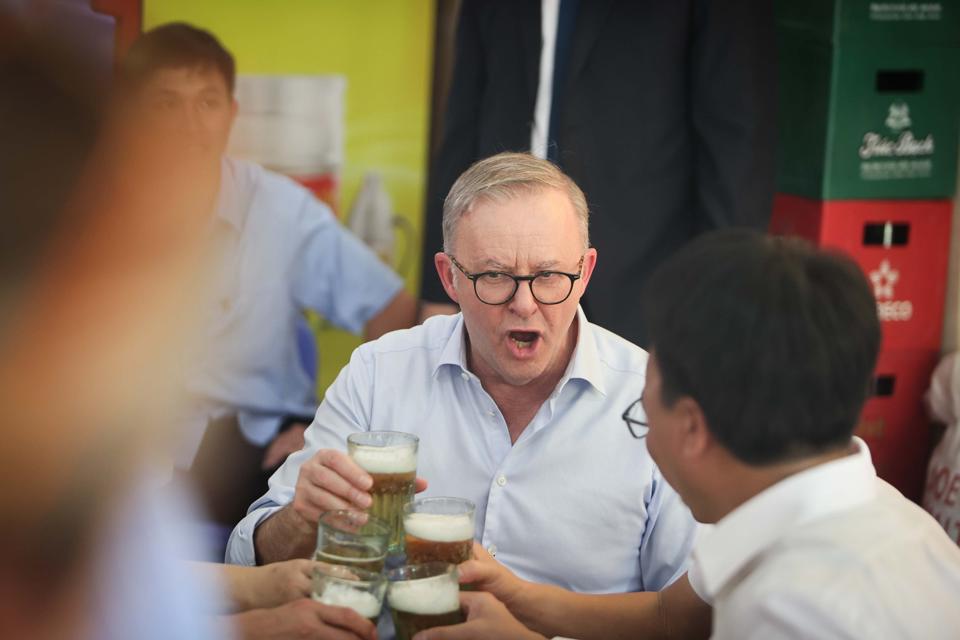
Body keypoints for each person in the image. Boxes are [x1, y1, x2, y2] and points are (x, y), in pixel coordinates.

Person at [228, 152, 701, 627]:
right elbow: (250, 562)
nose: (524, 304)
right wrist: (301, 520)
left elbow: (694, 621)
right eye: (494, 276)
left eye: (549, 276)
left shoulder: (654, 397)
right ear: (449, 277)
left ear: (586, 272)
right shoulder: (380, 371)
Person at [419, 230, 960, 639]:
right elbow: (670, 615)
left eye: (645, 415)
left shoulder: (796, 609)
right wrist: (519, 596)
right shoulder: (872, 516)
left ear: (694, 429)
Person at [115, 23, 417, 525]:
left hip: (254, 446)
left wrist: (326, 428)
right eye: (166, 103)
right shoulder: (92, 211)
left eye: (207, 102)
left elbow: (393, 310)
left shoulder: (279, 209)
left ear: (231, 115)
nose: (189, 124)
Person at [418, 0, 776, 347]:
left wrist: (718, 302)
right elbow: (461, 131)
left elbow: (737, 142)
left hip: (643, 288)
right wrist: (439, 296)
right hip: (494, 283)